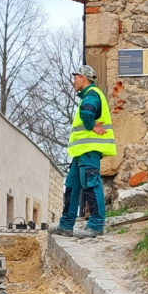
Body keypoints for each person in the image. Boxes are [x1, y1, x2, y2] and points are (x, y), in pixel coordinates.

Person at [51, 64, 116, 239]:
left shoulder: (91, 95)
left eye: (76, 77)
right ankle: (66, 225)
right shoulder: (88, 96)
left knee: (91, 185)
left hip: (89, 150)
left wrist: (90, 125)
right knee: (72, 187)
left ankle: (96, 225)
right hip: (81, 152)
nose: (74, 81)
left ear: (84, 78)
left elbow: (88, 112)